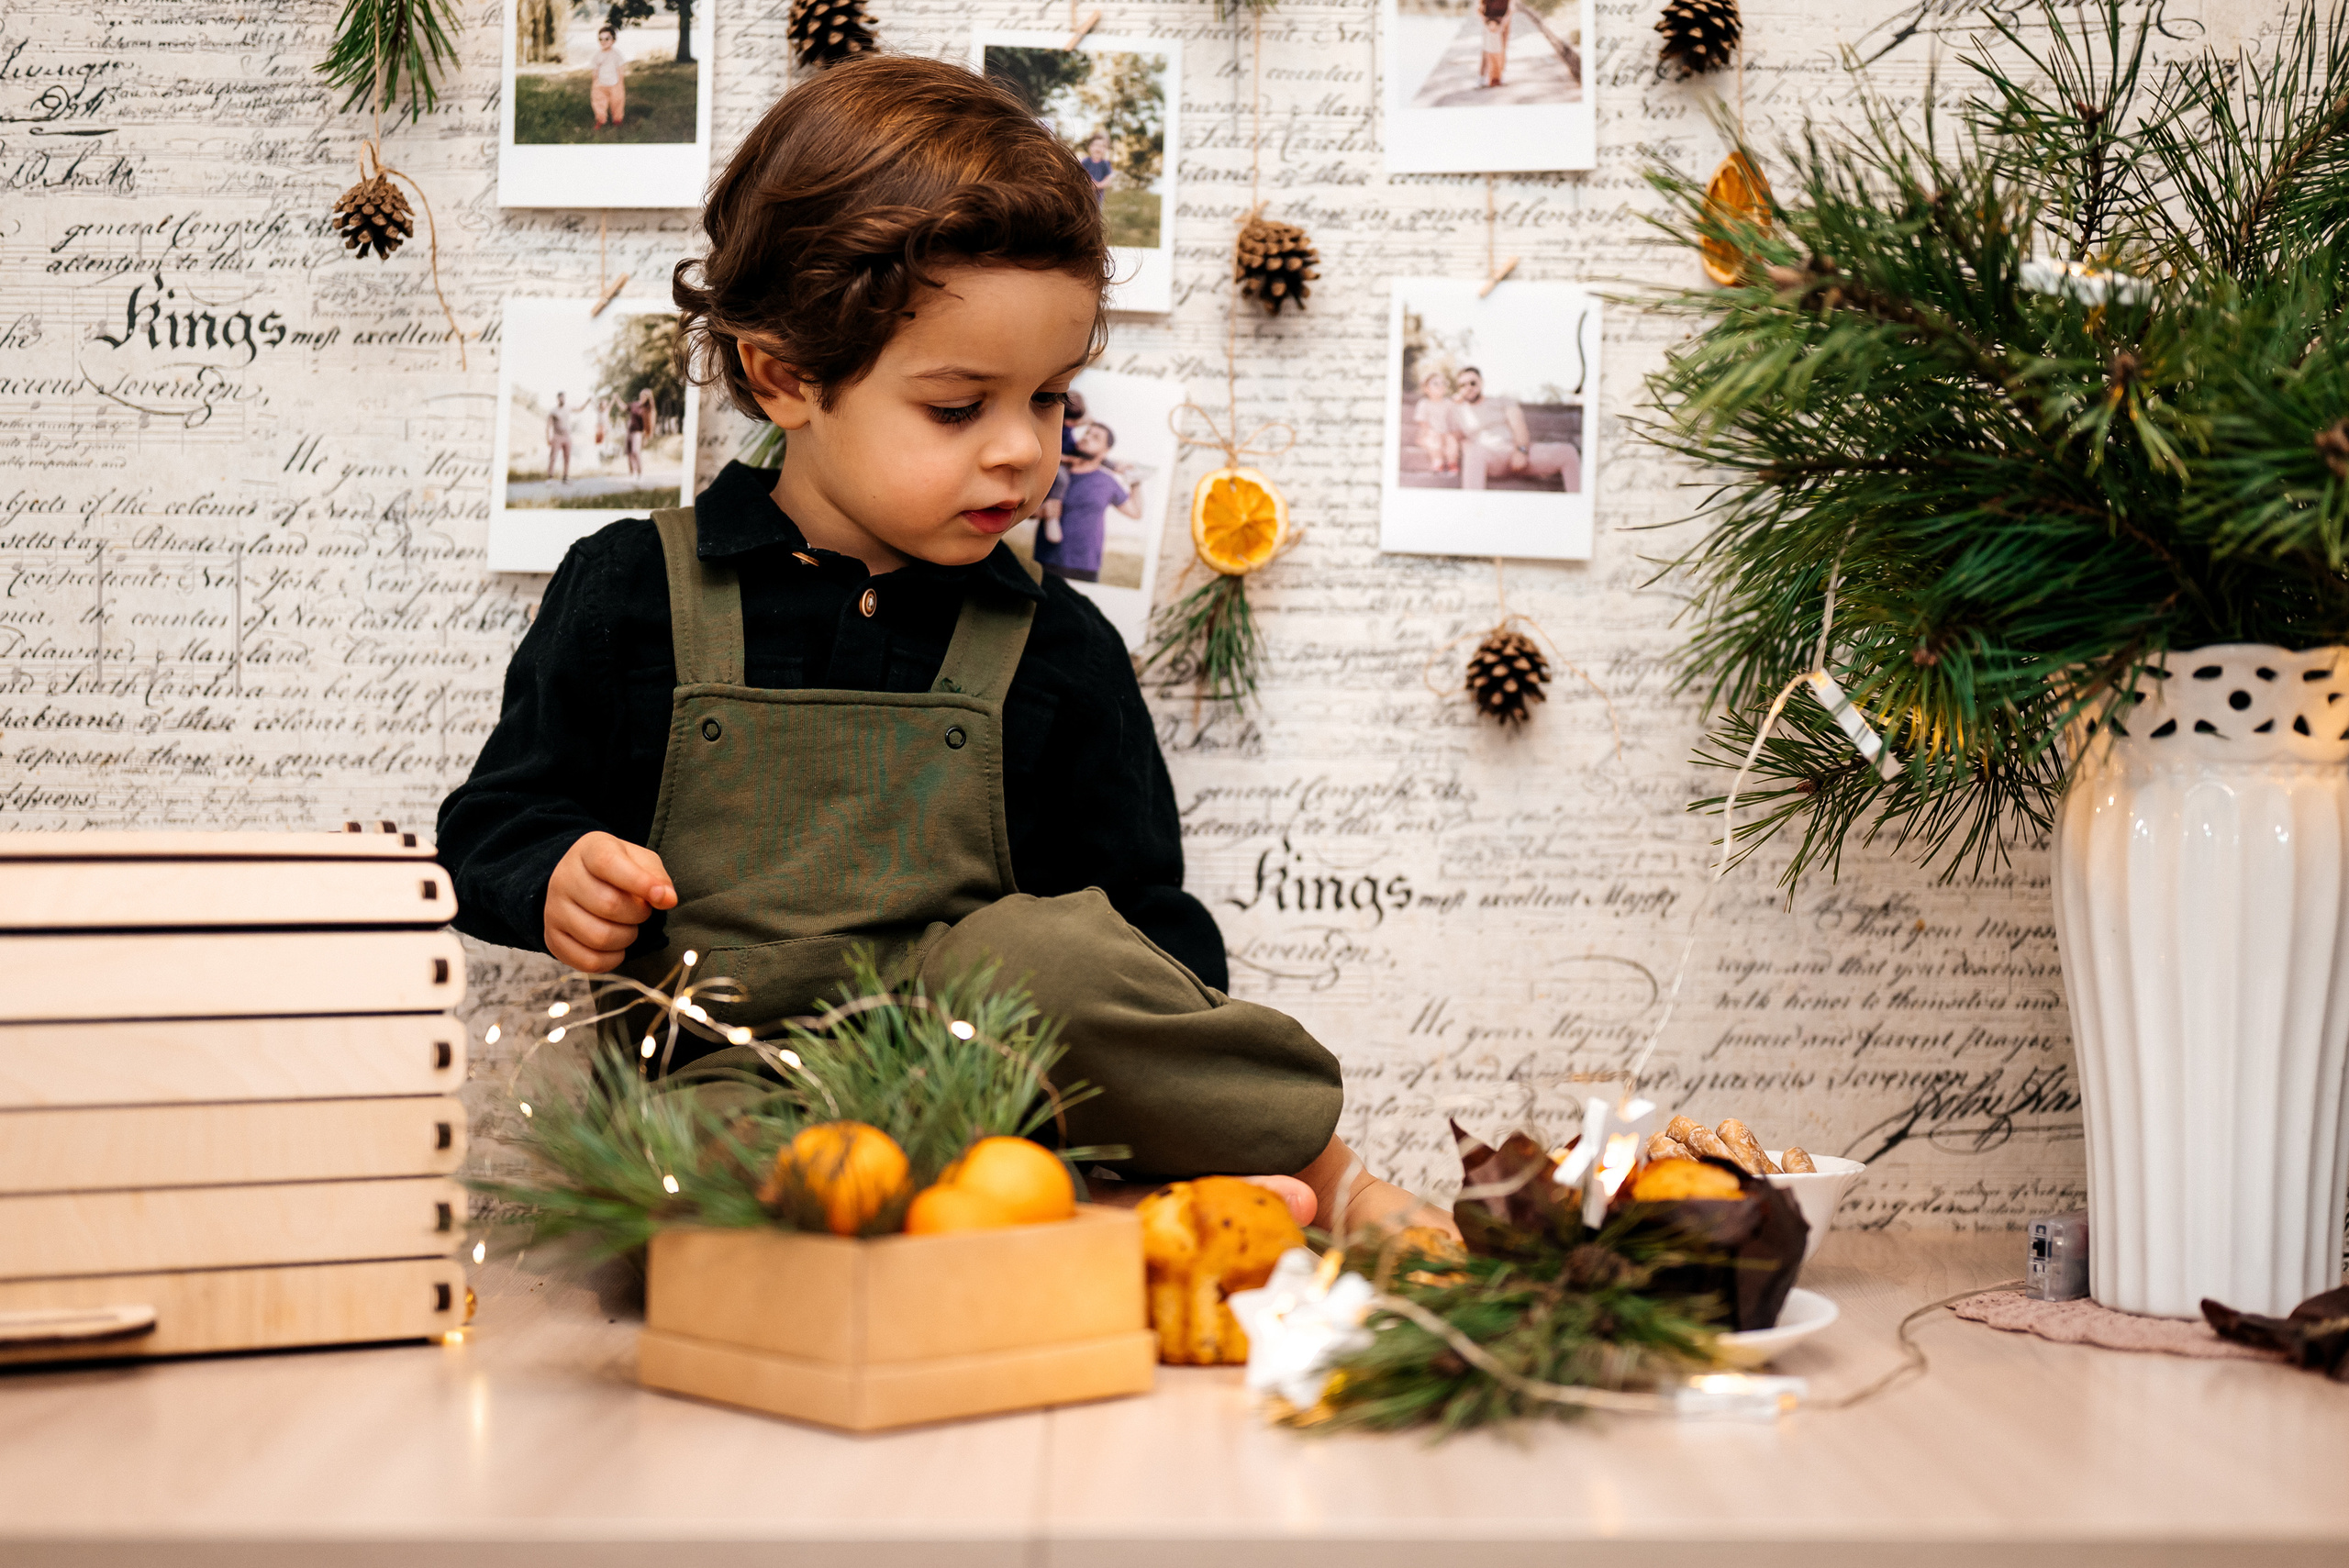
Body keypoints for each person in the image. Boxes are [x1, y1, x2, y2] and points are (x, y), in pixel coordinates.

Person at [437, 57, 1438, 1238]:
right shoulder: (631, 593)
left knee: (1045, 955)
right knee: (701, 1176)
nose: (1022, 451)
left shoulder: (1052, 643)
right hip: (739, 1086)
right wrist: (555, 874)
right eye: (959, 408)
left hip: (997, 1089)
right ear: (784, 374)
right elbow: (488, 827)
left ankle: (1328, 1183)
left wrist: (1142, 1046)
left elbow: (1149, 926)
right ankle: (1056, 1223)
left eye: (1053, 398)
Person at [1033, 420, 1139, 584]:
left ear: (1106, 451)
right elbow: (1027, 511)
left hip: (1086, 566)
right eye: (1087, 433)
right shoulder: (1054, 473)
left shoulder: (1107, 481)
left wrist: (1136, 482)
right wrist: (1043, 512)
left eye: (1095, 437)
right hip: (1046, 561)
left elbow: (1135, 513)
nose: (1087, 437)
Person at [1451, 365, 1580, 491]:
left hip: (1516, 452)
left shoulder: (1502, 401)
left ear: (1481, 383)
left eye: (1472, 383)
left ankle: (1580, 507)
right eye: (1463, 385)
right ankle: (1473, 508)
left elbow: (1519, 426)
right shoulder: (1458, 411)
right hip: (1488, 458)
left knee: (1568, 452)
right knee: (1474, 452)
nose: (1468, 388)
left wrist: (1522, 450)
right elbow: (1453, 437)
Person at [1414, 368, 1459, 474]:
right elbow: (1422, 421)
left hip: (1444, 432)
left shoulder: (1448, 403)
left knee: (1451, 441)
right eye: (1436, 384)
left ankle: (1452, 462)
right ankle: (1437, 460)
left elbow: (1454, 414)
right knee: (1434, 441)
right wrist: (1428, 433)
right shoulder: (1424, 403)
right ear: (1426, 389)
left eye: (1443, 383)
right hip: (1429, 431)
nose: (1440, 386)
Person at [589, 26, 627, 129]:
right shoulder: (597, 55)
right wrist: (595, 82)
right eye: (601, 39)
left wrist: (620, 82)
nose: (603, 41)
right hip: (600, 83)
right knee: (598, 101)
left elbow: (620, 69)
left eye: (607, 39)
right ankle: (601, 119)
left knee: (617, 101)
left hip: (614, 83)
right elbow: (595, 69)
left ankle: (617, 119)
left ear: (613, 40)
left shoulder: (616, 55)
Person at [1479, 0, 1512, 88]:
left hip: (1503, 20)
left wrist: (1503, 24)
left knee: (1502, 48)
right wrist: (1487, 23)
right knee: (1487, 49)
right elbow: (1479, 8)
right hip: (1489, 21)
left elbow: (1511, 8)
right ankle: (1482, 77)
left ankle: (1500, 76)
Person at [545, 392, 574, 484]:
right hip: (557, 436)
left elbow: (580, 409)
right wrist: (548, 438)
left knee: (567, 457)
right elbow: (548, 426)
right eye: (561, 398)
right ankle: (550, 477)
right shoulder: (554, 411)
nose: (563, 399)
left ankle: (565, 477)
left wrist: (587, 401)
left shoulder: (568, 408)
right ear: (558, 399)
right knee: (553, 456)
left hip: (567, 436)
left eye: (564, 398)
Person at [626, 387, 653, 478]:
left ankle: (639, 472)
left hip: (638, 432)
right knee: (630, 453)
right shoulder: (636, 405)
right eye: (641, 396)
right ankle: (632, 472)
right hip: (630, 431)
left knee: (635, 451)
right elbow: (626, 408)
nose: (641, 397)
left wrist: (646, 437)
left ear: (647, 398)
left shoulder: (647, 409)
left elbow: (648, 425)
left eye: (643, 396)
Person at [1078, 133, 1112, 204]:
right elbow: (1079, 175)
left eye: (1103, 146)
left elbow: (1108, 180)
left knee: (1096, 212)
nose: (1099, 148)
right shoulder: (1085, 162)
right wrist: (1088, 183)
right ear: (1090, 147)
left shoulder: (1105, 164)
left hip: (1098, 199)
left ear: (1105, 149)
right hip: (1084, 196)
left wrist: (1098, 185)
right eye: (1096, 145)